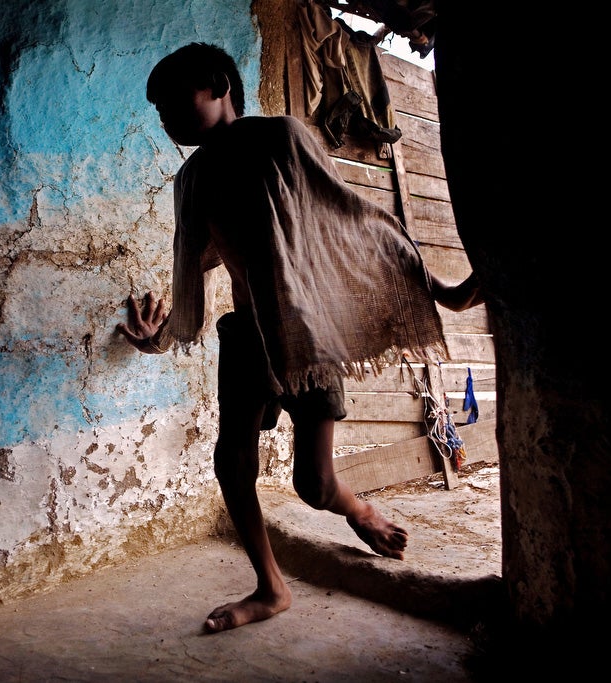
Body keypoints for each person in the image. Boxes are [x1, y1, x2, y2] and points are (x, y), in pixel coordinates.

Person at [117, 42, 482, 634]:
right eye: (156, 110)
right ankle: (270, 586)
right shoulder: (192, 180)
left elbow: (352, 220)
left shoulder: (280, 137)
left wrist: (442, 291)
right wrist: (160, 336)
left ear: (218, 86)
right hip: (245, 337)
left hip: (306, 334)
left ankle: (359, 510)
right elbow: (195, 267)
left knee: (312, 485)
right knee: (230, 461)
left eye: (173, 100)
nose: (164, 118)